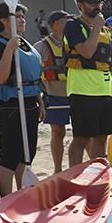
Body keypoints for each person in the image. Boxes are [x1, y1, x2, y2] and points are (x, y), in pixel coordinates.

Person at [0, 2, 44, 196]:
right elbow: (0, 77)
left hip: (29, 103)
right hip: (8, 106)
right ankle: (6, 200)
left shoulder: (22, 41)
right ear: (3, 20)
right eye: (17, 16)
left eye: (23, 16)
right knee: (10, 155)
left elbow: (30, 77)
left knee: (26, 155)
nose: (23, 20)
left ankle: (21, 196)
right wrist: (9, 49)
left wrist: (40, 101)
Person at [64, 0, 112, 166]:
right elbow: (86, 53)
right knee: (81, 138)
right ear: (80, 5)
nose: (97, 6)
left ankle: (96, 174)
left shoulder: (104, 31)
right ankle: (75, 175)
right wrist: (96, 28)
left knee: (102, 137)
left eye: (99, 3)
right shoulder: (73, 25)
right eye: (92, 3)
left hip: (106, 90)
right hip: (83, 90)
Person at [35, 10, 71, 172]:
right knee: (58, 132)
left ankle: (79, 167)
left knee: (82, 133)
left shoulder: (73, 43)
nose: (68, 25)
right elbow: (34, 72)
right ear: (54, 24)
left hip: (74, 92)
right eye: (65, 22)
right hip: (53, 94)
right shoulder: (41, 46)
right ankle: (58, 168)